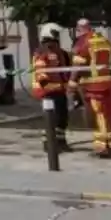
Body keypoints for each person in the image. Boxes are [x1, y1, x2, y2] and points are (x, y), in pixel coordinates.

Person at [69, 18, 111, 159]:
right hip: (107, 84)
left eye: (77, 29)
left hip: (93, 86)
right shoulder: (104, 40)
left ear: (80, 29)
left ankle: (104, 147)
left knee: (99, 115)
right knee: (108, 114)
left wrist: (72, 83)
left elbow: (78, 66)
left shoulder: (83, 43)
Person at [31, 24, 71, 152]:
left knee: (62, 118)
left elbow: (66, 69)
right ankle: (49, 144)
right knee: (52, 118)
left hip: (59, 90)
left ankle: (60, 142)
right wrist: (45, 84)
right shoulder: (42, 51)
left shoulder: (60, 51)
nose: (57, 36)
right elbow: (40, 71)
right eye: (55, 33)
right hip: (47, 90)